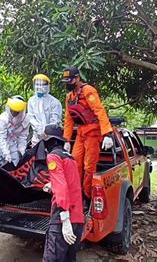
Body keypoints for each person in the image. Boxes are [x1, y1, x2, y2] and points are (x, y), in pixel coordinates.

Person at [62, 66, 113, 200]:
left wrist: (107, 134)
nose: (68, 84)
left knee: (89, 166)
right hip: (81, 133)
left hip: (93, 132)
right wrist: (66, 140)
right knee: (74, 163)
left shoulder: (88, 91)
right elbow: (68, 119)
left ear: (77, 78)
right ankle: (75, 193)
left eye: (70, 81)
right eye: (66, 81)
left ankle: (87, 196)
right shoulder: (69, 97)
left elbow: (99, 111)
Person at [41, 125, 84, 262]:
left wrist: (64, 219)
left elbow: (61, 188)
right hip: (77, 219)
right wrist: (52, 184)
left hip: (63, 220)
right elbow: (72, 184)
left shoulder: (53, 157)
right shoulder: (70, 157)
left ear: (51, 141)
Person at [0, 95, 30, 166]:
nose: (14, 113)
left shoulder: (26, 120)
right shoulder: (2, 119)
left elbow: (23, 138)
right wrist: (6, 153)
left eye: (16, 112)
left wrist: (22, 151)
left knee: (15, 165)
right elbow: (1, 139)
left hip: (13, 145)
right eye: (12, 111)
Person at [27, 74, 62, 147]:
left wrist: (47, 132)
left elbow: (55, 120)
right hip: (36, 137)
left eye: (42, 84)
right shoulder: (31, 101)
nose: (39, 87)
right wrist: (38, 129)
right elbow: (31, 117)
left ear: (48, 86)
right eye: (37, 84)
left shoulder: (54, 102)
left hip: (51, 137)